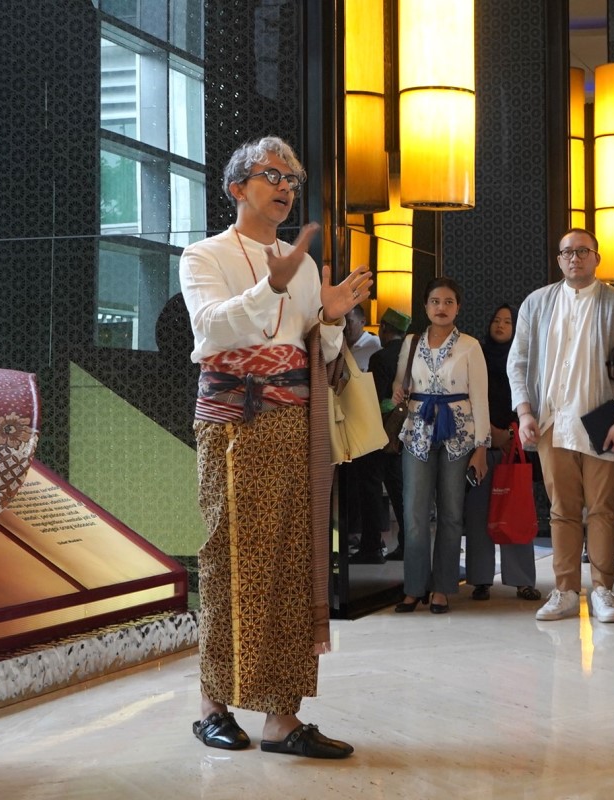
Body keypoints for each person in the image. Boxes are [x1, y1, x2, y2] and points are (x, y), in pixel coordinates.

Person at [181, 135, 369, 758]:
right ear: (238, 188)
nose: (287, 186)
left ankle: (282, 720)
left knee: (293, 560)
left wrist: (333, 317)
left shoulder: (304, 262)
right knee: (226, 553)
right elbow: (210, 330)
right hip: (233, 421)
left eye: (292, 178)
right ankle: (212, 706)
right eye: (272, 175)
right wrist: (271, 285)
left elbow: (323, 352)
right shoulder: (202, 255)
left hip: (293, 423)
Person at [508, 228, 614, 623]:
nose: (575, 258)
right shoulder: (537, 303)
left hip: (604, 421)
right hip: (552, 421)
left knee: (603, 510)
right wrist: (524, 412)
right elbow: (517, 362)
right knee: (562, 510)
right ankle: (566, 590)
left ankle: (603, 590)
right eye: (567, 252)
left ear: (596, 258)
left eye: (583, 251)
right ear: (559, 260)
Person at [392, 278, 490, 615]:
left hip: (459, 434)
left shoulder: (470, 345)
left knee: (451, 514)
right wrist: (397, 390)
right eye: (435, 301)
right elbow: (400, 385)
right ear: (425, 306)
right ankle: (413, 587)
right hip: (417, 430)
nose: (441, 308)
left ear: (458, 307)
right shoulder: (411, 343)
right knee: (414, 513)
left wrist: (482, 447)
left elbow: (480, 396)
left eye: (449, 302)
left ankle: (443, 588)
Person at [463, 304, 540, 601]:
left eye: (507, 321)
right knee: (478, 513)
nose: (501, 325)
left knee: (516, 510)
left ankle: (522, 580)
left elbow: (531, 395)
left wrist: (510, 433)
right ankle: (481, 579)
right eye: (496, 320)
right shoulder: (475, 354)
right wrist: (488, 434)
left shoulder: (523, 358)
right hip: (480, 443)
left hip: (515, 445)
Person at [339, 304, 386, 563]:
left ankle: (373, 542)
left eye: (350, 321)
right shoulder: (336, 345)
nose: (346, 327)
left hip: (368, 424)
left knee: (369, 483)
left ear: (362, 320)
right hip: (343, 423)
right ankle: (352, 534)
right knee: (349, 482)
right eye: (342, 322)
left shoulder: (374, 348)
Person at [368, 308, 411, 561]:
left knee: (375, 484)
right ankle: (408, 544)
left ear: (383, 328)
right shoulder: (413, 356)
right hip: (411, 429)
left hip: (385, 430)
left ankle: (372, 545)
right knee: (402, 489)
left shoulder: (380, 357)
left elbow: (376, 397)